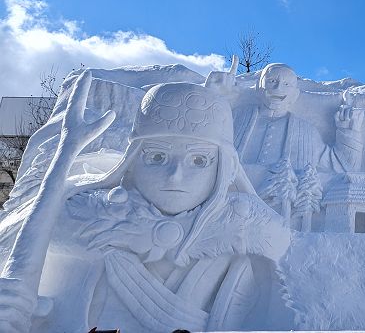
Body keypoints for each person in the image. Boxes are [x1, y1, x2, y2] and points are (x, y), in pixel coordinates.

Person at [0, 73, 290, 333]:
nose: (175, 176)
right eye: (157, 157)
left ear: (224, 169)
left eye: (199, 160)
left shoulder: (248, 238)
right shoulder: (82, 224)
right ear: (133, 161)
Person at [233, 63, 364, 194]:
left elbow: (342, 166)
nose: (278, 88)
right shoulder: (236, 118)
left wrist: (348, 129)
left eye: (286, 84)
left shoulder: (306, 132)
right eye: (272, 81)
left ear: (295, 94)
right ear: (258, 86)